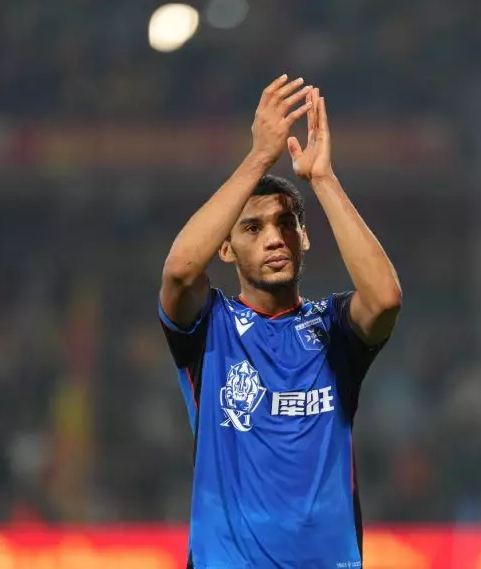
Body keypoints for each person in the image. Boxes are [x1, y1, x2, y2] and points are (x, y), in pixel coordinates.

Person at [158, 75, 402, 568]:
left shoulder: (333, 330)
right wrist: (259, 157)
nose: (274, 238)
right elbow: (180, 271)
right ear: (225, 249)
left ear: (304, 238)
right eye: (253, 227)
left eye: (286, 224)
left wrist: (322, 179)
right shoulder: (211, 327)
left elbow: (384, 300)